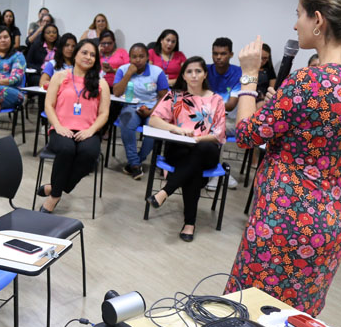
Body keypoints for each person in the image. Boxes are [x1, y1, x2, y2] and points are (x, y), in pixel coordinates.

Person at [226, 0, 341, 315]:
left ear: (318, 20)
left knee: (247, 318)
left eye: (299, 14)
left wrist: (250, 75)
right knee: (294, 325)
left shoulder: (308, 81)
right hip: (329, 224)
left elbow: (248, 134)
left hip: (285, 220)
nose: (295, 24)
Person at [145, 57, 227, 241]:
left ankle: (165, 191)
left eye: (198, 71)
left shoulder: (216, 100)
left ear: (205, 74)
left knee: (200, 150)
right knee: (193, 170)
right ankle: (189, 223)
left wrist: (197, 139)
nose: (194, 75)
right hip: (180, 149)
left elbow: (219, 134)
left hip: (207, 149)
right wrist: (177, 129)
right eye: (189, 71)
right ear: (183, 75)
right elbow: (154, 119)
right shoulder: (175, 96)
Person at [38, 39, 110, 213]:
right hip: (61, 128)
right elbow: (49, 105)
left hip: (88, 131)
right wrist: (58, 126)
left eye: (93, 55)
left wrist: (91, 130)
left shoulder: (101, 83)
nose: (88, 57)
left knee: (90, 153)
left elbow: (104, 114)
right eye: (84, 52)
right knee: (67, 149)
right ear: (76, 53)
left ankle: (54, 187)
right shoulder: (60, 76)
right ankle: (55, 196)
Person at [113, 42, 170, 179]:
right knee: (126, 122)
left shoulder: (157, 72)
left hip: (152, 107)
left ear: (147, 58)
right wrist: (128, 74)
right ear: (129, 58)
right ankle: (134, 164)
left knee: (154, 129)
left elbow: (164, 97)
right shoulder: (123, 69)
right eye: (134, 57)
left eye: (141, 56)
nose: (137, 60)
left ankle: (136, 161)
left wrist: (150, 112)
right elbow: (116, 92)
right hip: (130, 106)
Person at [206, 37, 242, 190]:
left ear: (231, 54)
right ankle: (214, 171)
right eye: (215, 53)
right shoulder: (206, 70)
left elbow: (231, 105)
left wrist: (210, 105)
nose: (218, 57)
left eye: (223, 53)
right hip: (206, 118)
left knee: (216, 129)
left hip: (230, 121)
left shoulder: (237, 72)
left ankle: (214, 173)